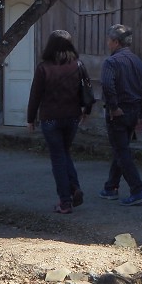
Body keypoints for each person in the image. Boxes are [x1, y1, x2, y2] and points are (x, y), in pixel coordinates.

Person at [27, 29, 90, 214]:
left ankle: (65, 201)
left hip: (50, 118)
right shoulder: (78, 65)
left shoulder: (43, 68)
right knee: (64, 153)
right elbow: (87, 89)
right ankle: (74, 187)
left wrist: (30, 119)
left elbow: (35, 96)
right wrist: (87, 110)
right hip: (72, 117)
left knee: (58, 158)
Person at [99, 23, 142, 206]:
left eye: (109, 40)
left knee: (122, 151)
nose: (107, 43)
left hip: (119, 112)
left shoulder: (111, 62)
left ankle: (137, 189)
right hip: (134, 110)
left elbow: (107, 85)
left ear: (115, 41)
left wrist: (113, 107)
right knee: (120, 149)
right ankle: (110, 187)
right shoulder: (139, 62)